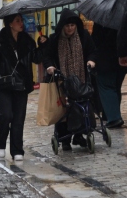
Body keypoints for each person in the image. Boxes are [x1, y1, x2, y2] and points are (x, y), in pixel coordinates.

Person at [0, 14, 38, 162]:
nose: (21, 23)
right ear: (10, 24)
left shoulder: (27, 41)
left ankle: (17, 149)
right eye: (18, 21)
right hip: (4, 84)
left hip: (22, 84)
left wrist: (43, 44)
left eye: (21, 20)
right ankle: (0, 144)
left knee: (19, 118)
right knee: (5, 115)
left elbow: (37, 58)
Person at [41, 9, 96, 152]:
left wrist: (91, 61)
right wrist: (50, 66)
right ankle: (64, 138)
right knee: (64, 108)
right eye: (67, 26)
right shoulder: (54, 39)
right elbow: (47, 56)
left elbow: (92, 51)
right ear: (62, 26)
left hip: (81, 77)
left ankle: (79, 134)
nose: (70, 28)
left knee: (80, 105)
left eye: (72, 25)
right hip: (62, 79)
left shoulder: (84, 36)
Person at [92, 21, 126, 128]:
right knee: (115, 87)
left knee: (106, 87)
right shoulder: (122, 19)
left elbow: (95, 40)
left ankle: (114, 118)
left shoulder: (101, 21)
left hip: (105, 60)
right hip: (121, 60)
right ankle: (109, 114)